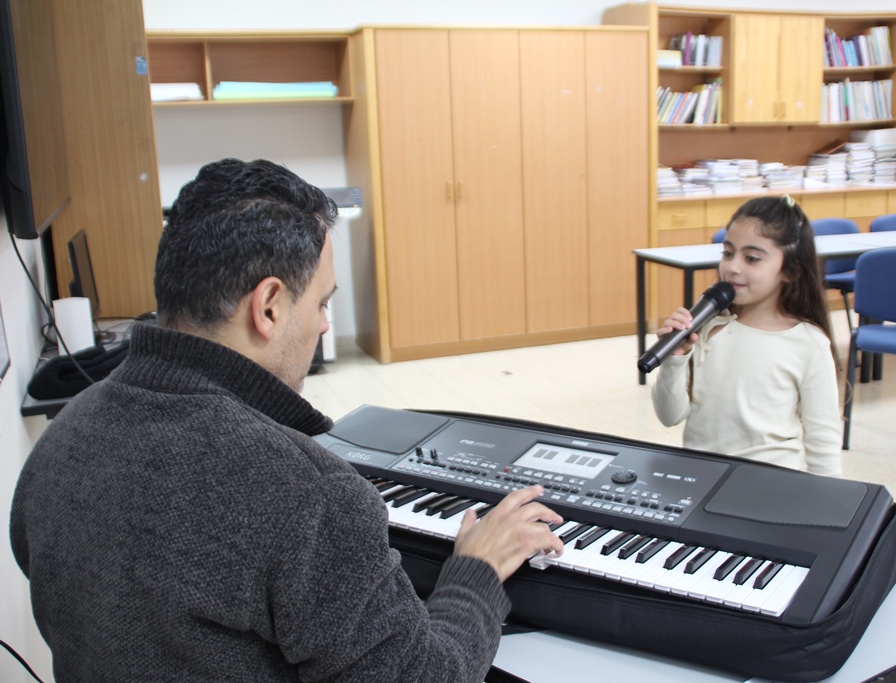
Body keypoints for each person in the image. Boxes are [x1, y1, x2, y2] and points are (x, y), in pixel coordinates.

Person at [10, 158, 564, 682]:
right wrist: (476, 573)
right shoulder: (307, 492)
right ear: (269, 306)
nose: (324, 326)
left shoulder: (60, 441)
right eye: (321, 303)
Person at [651, 195, 843, 477]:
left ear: (790, 270)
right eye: (728, 253)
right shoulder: (708, 325)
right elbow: (670, 416)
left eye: (752, 258)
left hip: (769, 480)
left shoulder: (807, 342)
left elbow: (823, 438)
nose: (733, 267)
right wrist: (674, 360)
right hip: (701, 476)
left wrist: (827, 496)